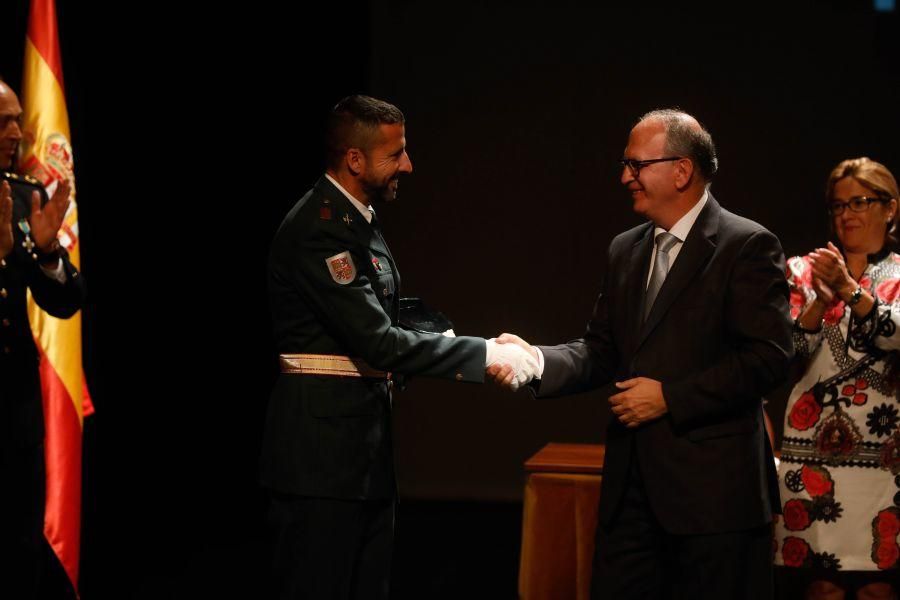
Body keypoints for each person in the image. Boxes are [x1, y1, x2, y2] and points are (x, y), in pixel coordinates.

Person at [490, 109, 793, 599]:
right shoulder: (625, 250)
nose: (624, 177)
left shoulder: (746, 245)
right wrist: (536, 361)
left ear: (681, 170)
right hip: (631, 498)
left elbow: (770, 358)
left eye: (636, 165)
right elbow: (601, 349)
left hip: (714, 503)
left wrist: (671, 397)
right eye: (625, 164)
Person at [260, 94, 537, 600]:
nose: (408, 165)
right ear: (354, 159)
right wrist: (485, 355)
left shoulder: (354, 219)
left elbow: (380, 313)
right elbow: (377, 341)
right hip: (320, 464)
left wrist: (440, 336)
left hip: (362, 457)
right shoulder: (319, 230)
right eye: (396, 154)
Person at [774, 157, 900, 600]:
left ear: (890, 209)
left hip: (884, 463)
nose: (846, 214)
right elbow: (785, 356)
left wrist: (851, 291)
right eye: (838, 205)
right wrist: (817, 302)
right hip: (812, 457)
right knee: (820, 589)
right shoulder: (801, 272)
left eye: (860, 202)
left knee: (878, 590)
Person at [0, 79, 86, 597]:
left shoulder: (24, 194)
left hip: (15, 419)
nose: (18, 132)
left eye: (17, 119)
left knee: (18, 556)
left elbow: (64, 300)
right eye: (4, 122)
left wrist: (51, 253)